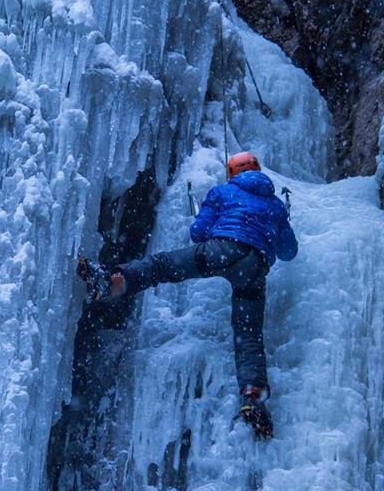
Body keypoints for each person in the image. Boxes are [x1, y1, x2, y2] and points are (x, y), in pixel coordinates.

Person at [77, 152, 297, 440]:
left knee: (162, 266)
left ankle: (114, 281)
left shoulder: (224, 191)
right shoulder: (275, 205)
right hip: (254, 266)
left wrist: (218, 222)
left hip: (222, 248)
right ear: (257, 171)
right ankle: (252, 396)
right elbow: (288, 251)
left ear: (232, 173)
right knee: (249, 335)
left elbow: (199, 232)